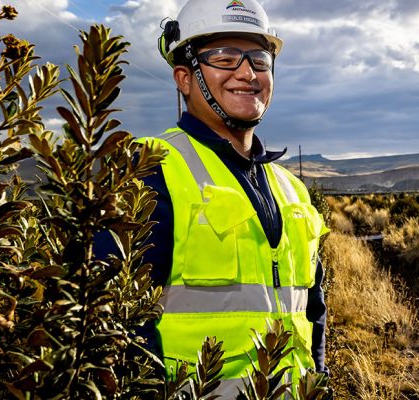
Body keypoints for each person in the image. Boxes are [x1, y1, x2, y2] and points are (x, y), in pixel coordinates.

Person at [123, 0, 328, 396]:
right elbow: (120, 324)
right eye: (224, 57)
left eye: (259, 60)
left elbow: (313, 307)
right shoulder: (152, 169)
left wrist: (319, 379)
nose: (248, 73)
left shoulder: (292, 189)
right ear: (184, 78)